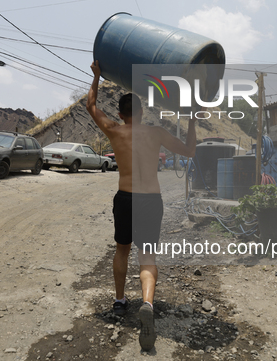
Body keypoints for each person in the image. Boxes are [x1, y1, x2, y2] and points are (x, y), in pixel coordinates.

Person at [86, 60, 197, 351]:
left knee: (122, 248)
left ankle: (121, 300)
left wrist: (97, 76)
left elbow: (91, 105)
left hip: (125, 197)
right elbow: (189, 150)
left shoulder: (114, 130)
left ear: (121, 114)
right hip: (151, 199)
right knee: (147, 255)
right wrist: (193, 120)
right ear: (142, 112)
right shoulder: (156, 133)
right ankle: (147, 302)